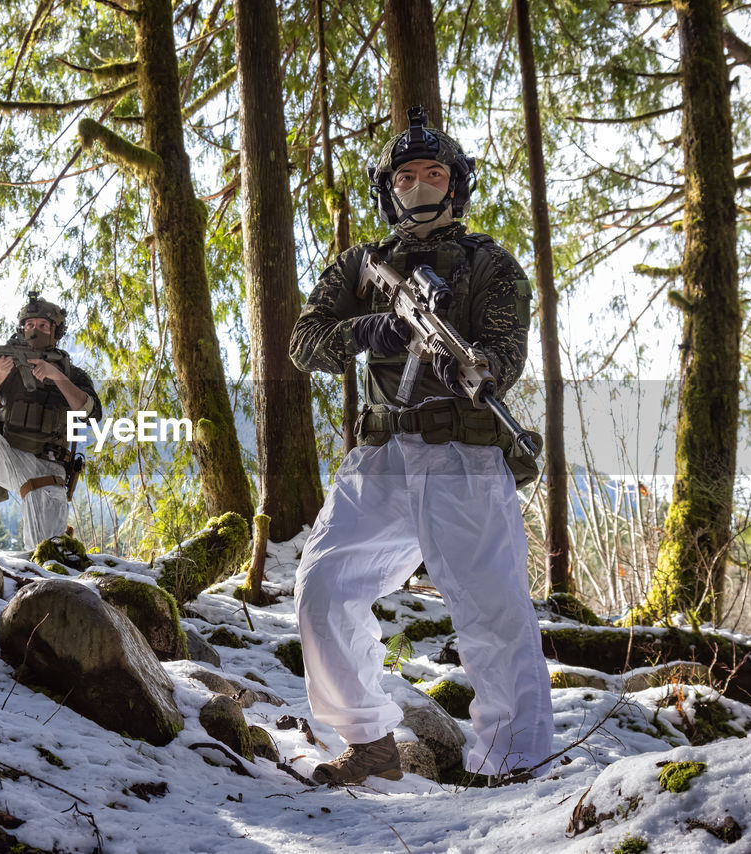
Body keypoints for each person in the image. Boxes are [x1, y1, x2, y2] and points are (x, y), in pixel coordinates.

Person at [288, 106, 552, 786]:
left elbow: (504, 352)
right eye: (405, 176)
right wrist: (368, 331)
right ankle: (369, 741)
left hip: (464, 452)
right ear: (389, 189)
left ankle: (514, 763)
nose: (419, 186)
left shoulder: (491, 263)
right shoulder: (359, 266)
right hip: (378, 459)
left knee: (492, 609)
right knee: (322, 587)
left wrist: (467, 367)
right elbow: (303, 342)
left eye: (433, 174)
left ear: (455, 184)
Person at [0, 292, 101, 550]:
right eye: (29, 325)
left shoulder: (72, 373)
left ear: (55, 331)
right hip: (7, 458)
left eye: (43, 325)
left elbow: (92, 415)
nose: (35, 331)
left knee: (47, 556)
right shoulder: (5, 365)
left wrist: (58, 378)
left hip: (47, 468)